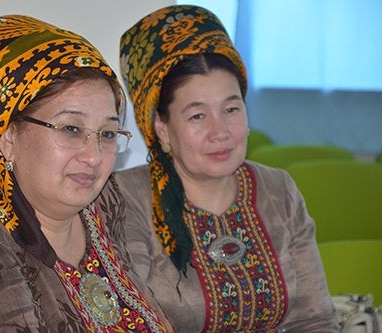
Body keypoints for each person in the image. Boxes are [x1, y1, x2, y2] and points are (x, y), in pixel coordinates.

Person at [0, 15, 172, 332]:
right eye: (70, 129)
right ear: (7, 137)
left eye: (107, 134)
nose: (94, 156)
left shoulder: (101, 207)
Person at [116, 5, 339, 332]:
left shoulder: (278, 189)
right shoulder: (125, 199)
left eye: (231, 108)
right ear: (161, 128)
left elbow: (314, 319)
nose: (220, 131)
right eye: (197, 115)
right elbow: (130, 321)